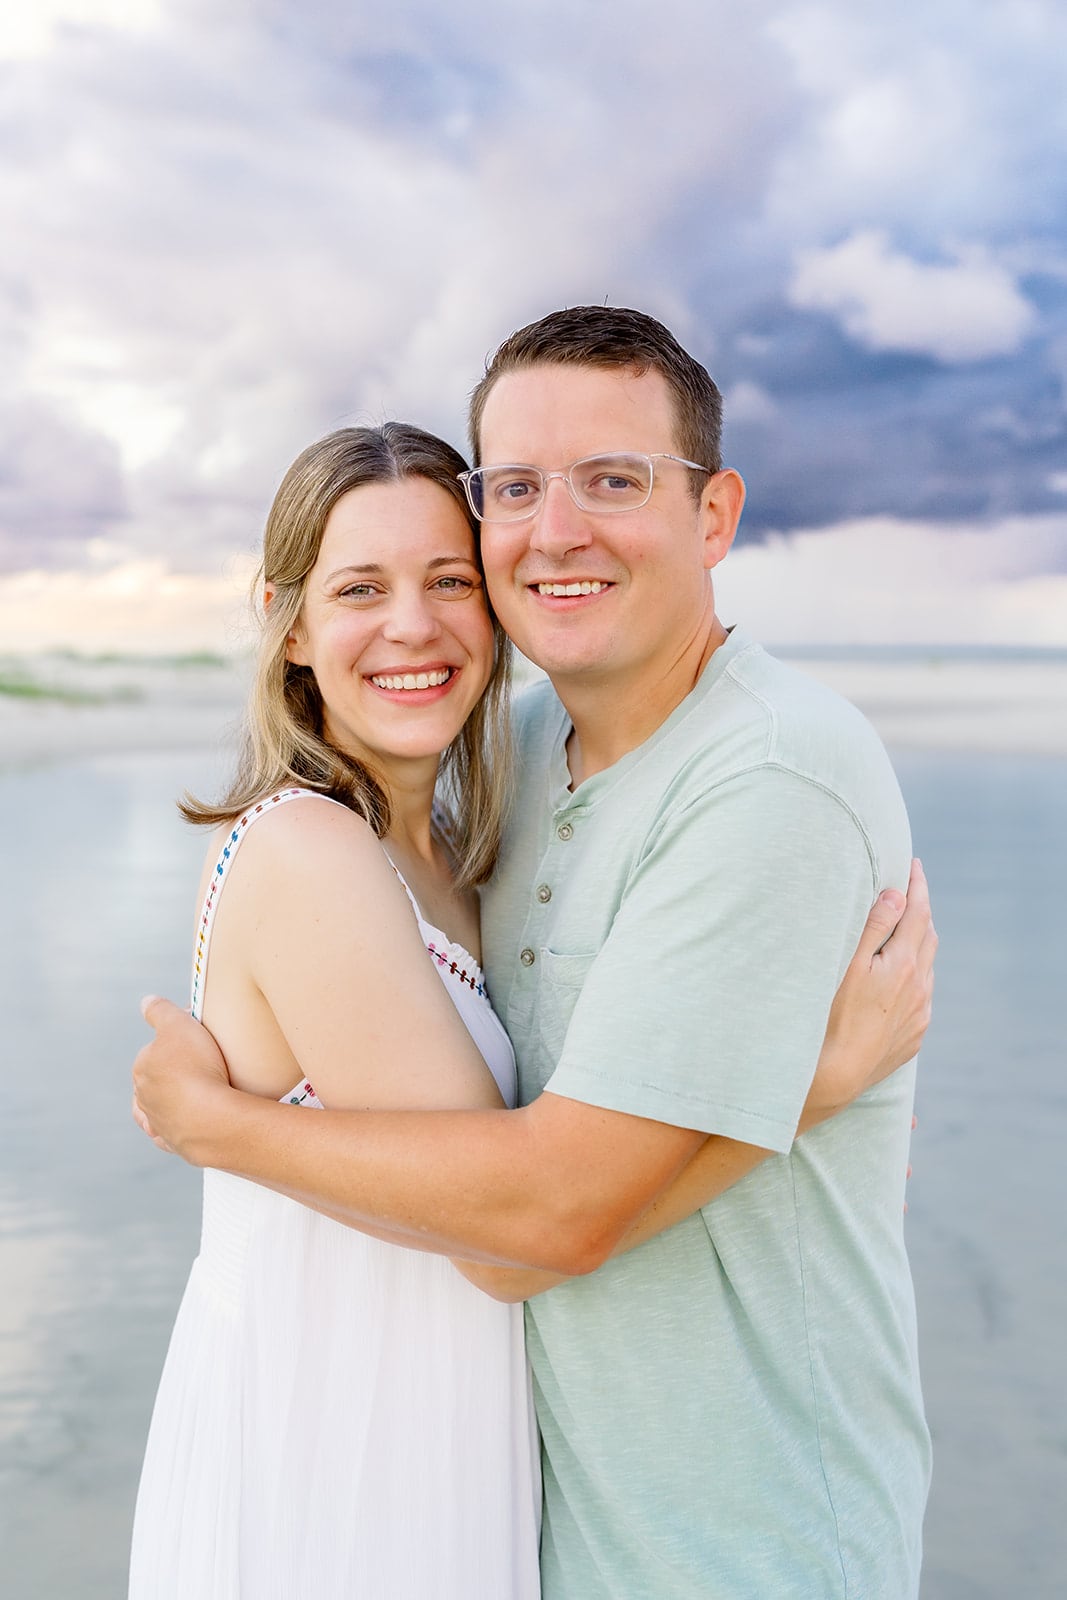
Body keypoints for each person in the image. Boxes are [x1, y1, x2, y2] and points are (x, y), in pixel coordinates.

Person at [134, 308, 936, 1600]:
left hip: (747, 1546)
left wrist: (223, 1128)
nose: (553, 530)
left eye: (613, 480)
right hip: (397, 1490)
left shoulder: (757, 775)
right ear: (287, 628)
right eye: (513, 490)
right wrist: (798, 1095)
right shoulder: (429, 814)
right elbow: (521, 1222)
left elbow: (533, 1217)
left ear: (715, 515)